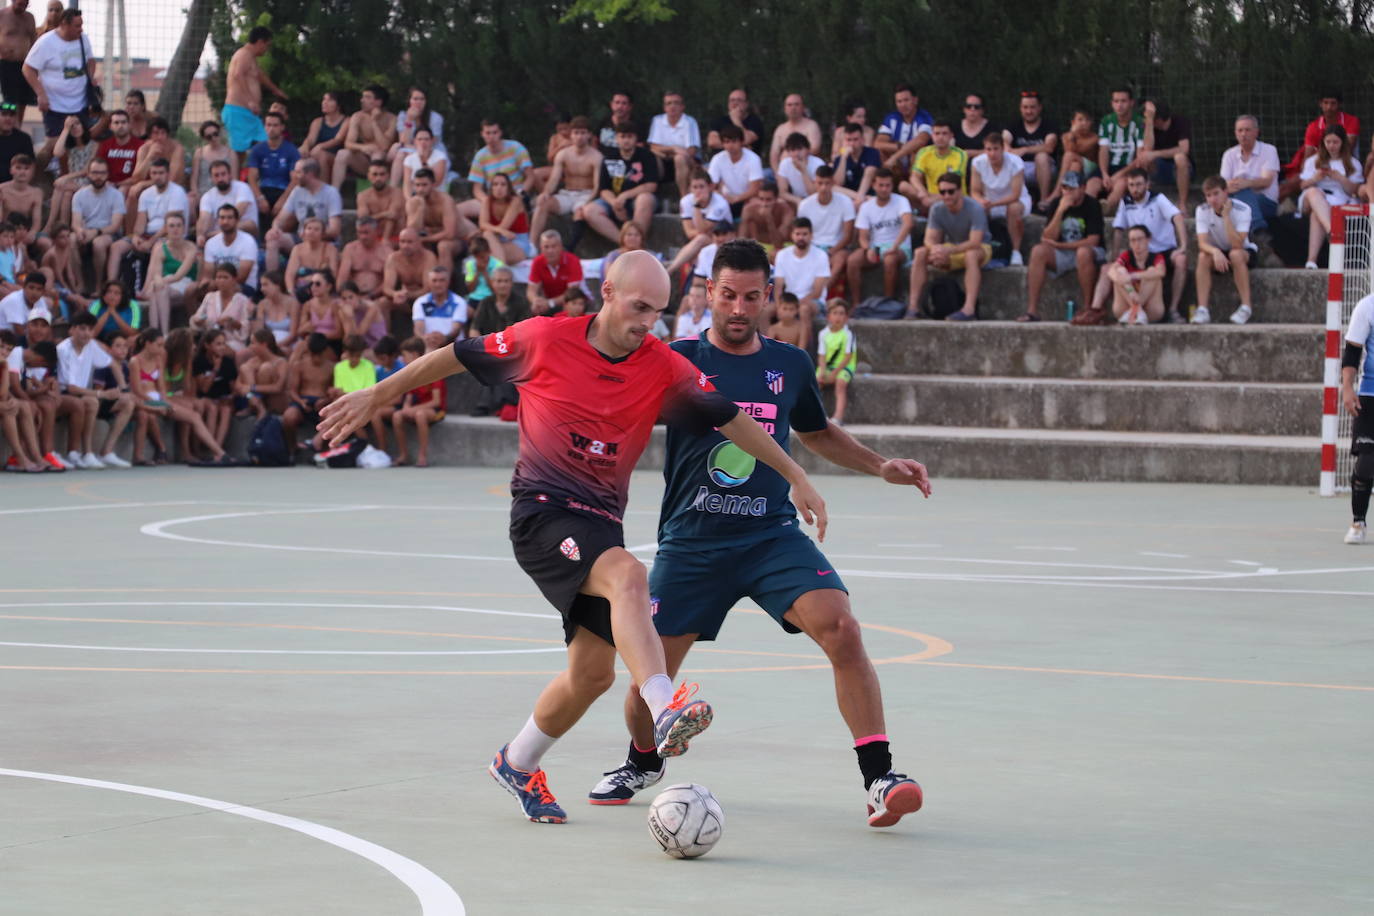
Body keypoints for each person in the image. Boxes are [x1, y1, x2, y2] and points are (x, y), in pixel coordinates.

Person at [318, 247, 828, 824]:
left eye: (658, 312)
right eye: (639, 307)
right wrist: (379, 393)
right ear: (606, 293)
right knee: (630, 574)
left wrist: (795, 472)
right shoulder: (542, 338)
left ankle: (517, 761)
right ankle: (665, 705)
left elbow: (731, 417)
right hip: (543, 512)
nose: (647, 322)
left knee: (592, 674)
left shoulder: (661, 362)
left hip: (599, 522)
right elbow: (454, 356)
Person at [585, 239, 924, 826]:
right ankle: (644, 760)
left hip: (769, 537)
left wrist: (879, 465)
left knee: (842, 628)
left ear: (768, 296)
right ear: (707, 293)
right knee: (648, 680)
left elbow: (817, 433)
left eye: (750, 297)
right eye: (727, 296)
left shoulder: (789, 365)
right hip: (691, 542)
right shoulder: (673, 358)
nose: (738, 309)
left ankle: (879, 777)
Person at [1084, 168, 1187, 323]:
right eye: (1131, 185)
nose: (1135, 189)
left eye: (1139, 184)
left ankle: (1173, 309)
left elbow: (1177, 217)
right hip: (1138, 252)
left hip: (1163, 251)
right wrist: (1115, 255)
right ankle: (1095, 309)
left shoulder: (1158, 198)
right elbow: (1119, 229)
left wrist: (1183, 245)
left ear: (1147, 184)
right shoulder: (1125, 202)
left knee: (1181, 260)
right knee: (1108, 268)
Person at [1022, 170, 1104, 323]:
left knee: (1083, 253)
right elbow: (1047, 238)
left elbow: (1093, 240)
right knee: (1038, 251)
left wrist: (1060, 245)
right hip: (1063, 252)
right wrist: (1060, 211)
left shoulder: (1092, 205)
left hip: (1088, 252)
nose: (1067, 193)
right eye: (1065, 188)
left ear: (1083, 188)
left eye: (1072, 189)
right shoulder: (1057, 203)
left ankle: (1088, 308)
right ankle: (1032, 310)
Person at [909, 172, 992, 321]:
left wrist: (949, 250)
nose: (946, 196)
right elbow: (930, 238)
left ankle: (969, 309)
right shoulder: (937, 208)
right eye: (942, 192)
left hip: (979, 247)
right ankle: (913, 307)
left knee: (971, 255)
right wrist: (936, 250)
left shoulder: (975, 208)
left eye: (951, 191)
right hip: (952, 246)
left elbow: (975, 242)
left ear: (960, 191)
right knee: (920, 253)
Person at [56, 309, 134, 466]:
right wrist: (102, 394)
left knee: (128, 402)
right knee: (92, 401)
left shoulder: (91, 345)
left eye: (90, 329)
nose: (86, 333)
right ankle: (85, 452)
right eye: (82, 328)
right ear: (72, 329)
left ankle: (106, 451)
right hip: (66, 395)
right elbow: (71, 388)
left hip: (84, 394)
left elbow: (112, 363)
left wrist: (124, 389)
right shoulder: (63, 349)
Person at [21, 8, 94, 158]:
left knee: (81, 142)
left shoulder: (83, 39)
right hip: (55, 104)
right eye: (77, 26)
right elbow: (28, 69)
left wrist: (90, 79)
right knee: (54, 144)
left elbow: (91, 61)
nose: (81, 29)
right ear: (64, 24)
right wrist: (41, 94)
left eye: (81, 25)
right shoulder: (46, 42)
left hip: (80, 103)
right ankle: (41, 174)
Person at [106, 159, 188, 283]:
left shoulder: (177, 192)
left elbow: (170, 225)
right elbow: (141, 220)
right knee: (116, 247)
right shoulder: (146, 194)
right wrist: (136, 236)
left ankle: (148, 289)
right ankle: (111, 285)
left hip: (168, 234)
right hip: (148, 234)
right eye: (154, 173)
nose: (157, 177)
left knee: (157, 248)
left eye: (161, 173)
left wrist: (150, 242)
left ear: (168, 174)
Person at [1193, 175, 1257, 325]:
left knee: (1235, 254)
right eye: (1208, 196)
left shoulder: (1243, 209)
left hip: (1243, 251)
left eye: (1216, 194)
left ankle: (1246, 307)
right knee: (1203, 257)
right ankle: (1202, 309)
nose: (1212, 200)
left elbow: (1237, 244)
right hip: (1218, 253)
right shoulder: (1202, 210)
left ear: (1225, 192)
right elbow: (1202, 243)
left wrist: (1226, 216)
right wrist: (1215, 252)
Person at [530, 116, 601, 246]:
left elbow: (597, 186)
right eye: (576, 133)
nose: (579, 137)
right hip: (567, 194)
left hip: (587, 195)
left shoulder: (596, 157)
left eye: (583, 133)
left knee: (580, 212)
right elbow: (554, 180)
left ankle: (570, 250)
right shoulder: (563, 154)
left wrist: (588, 202)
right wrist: (545, 193)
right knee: (542, 203)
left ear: (589, 135)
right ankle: (532, 246)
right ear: (571, 135)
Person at [1338, 288, 1374, 543]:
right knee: (1366, 462)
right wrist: (1348, 388)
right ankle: (1358, 522)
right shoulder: (1367, 306)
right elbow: (1352, 351)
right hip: (1370, 394)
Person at [1300, 124, 1361, 270]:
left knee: (1316, 215)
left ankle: (1311, 260)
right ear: (1323, 143)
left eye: (1335, 142)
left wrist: (1340, 178)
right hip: (1312, 198)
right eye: (1328, 142)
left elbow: (1355, 190)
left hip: (1338, 200)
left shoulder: (1353, 163)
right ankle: (1333, 232)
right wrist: (1315, 178)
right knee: (1314, 192)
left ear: (1342, 143)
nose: (1331, 146)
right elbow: (1303, 186)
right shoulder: (1312, 161)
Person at [847, 168, 912, 303]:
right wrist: (867, 249)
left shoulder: (901, 201)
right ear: (874, 186)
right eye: (881, 185)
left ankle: (887, 302)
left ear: (892, 186)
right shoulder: (866, 206)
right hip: (876, 248)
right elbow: (863, 236)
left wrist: (895, 246)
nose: (884, 189)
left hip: (899, 247)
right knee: (853, 260)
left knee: (890, 259)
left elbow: (908, 224)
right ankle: (855, 303)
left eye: (887, 185)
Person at [265, 158, 342, 273]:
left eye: (298, 172)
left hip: (324, 240)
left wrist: (312, 235)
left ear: (310, 174)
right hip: (301, 237)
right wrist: (275, 229)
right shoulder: (297, 191)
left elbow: (334, 230)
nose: (294, 176)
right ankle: (272, 281)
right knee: (273, 239)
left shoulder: (331, 193)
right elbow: (279, 219)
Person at [1286, 90, 1361, 201]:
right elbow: (1307, 156)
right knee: (1293, 184)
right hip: (1317, 186)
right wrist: (1315, 176)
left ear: (1339, 104)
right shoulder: (1313, 126)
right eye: (1325, 103)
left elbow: (1348, 148)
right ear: (1320, 104)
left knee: (1316, 214)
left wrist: (1339, 176)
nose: (1329, 107)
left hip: (1343, 177)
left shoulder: (1351, 121)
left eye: (1333, 103)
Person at [969, 132, 1030, 264]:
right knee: (977, 207)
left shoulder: (1015, 162)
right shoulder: (977, 163)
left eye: (996, 149)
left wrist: (993, 204)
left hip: (1016, 201)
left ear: (1002, 148)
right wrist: (981, 201)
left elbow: (1015, 194)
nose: (992, 153)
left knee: (1013, 209)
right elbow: (975, 191)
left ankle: (1016, 252)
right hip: (990, 201)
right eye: (988, 149)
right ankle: (981, 248)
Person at [222, 26, 285, 153]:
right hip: (238, 111)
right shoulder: (243, 54)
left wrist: (276, 90)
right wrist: (250, 100)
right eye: (267, 45)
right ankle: (235, 173)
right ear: (260, 42)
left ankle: (255, 172)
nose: (267, 49)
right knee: (239, 152)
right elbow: (238, 75)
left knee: (264, 144)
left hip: (248, 113)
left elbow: (261, 76)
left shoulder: (251, 58)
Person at [771, 217, 829, 350]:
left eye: (804, 234)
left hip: (814, 302)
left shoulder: (821, 255)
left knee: (803, 310)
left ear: (811, 235)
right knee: (764, 312)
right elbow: (778, 286)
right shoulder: (782, 255)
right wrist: (781, 306)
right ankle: (763, 354)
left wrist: (793, 307)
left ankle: (804, 356)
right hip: (788, 300)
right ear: (792, 235)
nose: (801, 237)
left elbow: (817, 291)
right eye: (797, 234)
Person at [122, 118, 187, 234]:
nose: (160, 137)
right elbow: (136, 177)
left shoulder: (177, 149)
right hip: (151, 188)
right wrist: (149, 158)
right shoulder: (144, 149)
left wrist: (143, 184)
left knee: (137, 189)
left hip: (173, 187)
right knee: (131, 192)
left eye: (163, 133)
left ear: (167, 134)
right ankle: (130, 235)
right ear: (149, 135)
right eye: (156, 133)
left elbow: (171, 179)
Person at [460, 119, 532, 224]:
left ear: (500, 133)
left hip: (514, 197)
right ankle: (473, 234)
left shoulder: (516, 148)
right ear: (482, 134)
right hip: (492, 198)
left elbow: (530, 177)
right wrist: (486, 201)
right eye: (488, 133)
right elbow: (477, 189)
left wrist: (520, 193)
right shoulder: (480, 156)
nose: (491, 136)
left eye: (494, 132)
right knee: (456, 210)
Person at [798, 165, 856, 292]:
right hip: (812, 247)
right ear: (815, 183)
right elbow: (802, 233)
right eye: (820, 183)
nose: (823, 187)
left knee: (839, 260)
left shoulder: (845, 202)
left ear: (833, 183)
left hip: (837, 248)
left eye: (827, 183)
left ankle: (819, 293)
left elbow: (848, 236)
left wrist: (830, 252)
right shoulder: (805, 205)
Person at [1220, 114, 1280, 232]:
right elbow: (1223, 185)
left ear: (1256, 132)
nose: (1243, 134)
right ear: (1235, 133)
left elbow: (1267, 181)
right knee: (1238, 195)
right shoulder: (1229, 154)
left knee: (1244, 192)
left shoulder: (1269, 150)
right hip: (1235, 200)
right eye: (1240, 130)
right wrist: (1237, 185)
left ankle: (1257, 228)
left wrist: (1246, 183)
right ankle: (1258, 229)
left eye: (1247, 130)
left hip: (1266, 202)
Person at [670, 169, 732, 280]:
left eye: (701, 186)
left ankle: (670, 270)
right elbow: (689, 232)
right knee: (700, 242)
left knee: (701, 239)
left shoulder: (720, 203)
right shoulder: (686, 201)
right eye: (695, 187)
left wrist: (697, 207)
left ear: (710, 187)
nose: (698, 191)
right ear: (690, 188)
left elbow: (701, 229)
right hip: (703, 241)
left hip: (724, 240)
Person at [140, 212, 197, 331]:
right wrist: (157, 282)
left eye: (178, 225)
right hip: (166, 287)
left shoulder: (191, 247)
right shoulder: (161, 248)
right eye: (171, 226)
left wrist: (160, 282)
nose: (175, 229)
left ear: (183, 228)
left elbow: (179, 275)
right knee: (159, 291)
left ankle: (157, 333)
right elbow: (156, 273)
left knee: (159, 289)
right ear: (166, 228)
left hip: (184, 283)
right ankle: (159, 333)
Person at [70, 157, 123, 284]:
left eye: (102, 173)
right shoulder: (79, 195)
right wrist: (79, 231)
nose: (98, 177)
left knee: (98, 243)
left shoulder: (116, 195)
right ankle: (80, 283)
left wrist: (95, 232)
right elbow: (75, 222)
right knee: (71, 239)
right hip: (87, 230)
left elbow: (115, 226)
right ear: (88, 174)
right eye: (94, 173)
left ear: (107, 175)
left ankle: (99, 285)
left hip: (108, 233)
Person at [332, 85, 396, 189]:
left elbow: (384, 146)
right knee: (342, 154)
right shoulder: (357, 117)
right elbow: (348, 143)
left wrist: (374, 122)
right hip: (364, 162)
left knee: (378, 154)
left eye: (367, 97)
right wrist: (362, 147)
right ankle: (334, 192)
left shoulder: (391, 119)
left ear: (378, 102)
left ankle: (377, 191)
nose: (362, 100)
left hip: (384, 164)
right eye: (363, 97)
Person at [45, 114, 96, 235]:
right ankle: (64, 228)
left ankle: (49, 224)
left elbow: (86, 171)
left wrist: (66, 177)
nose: (75, 128)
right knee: (67, 195)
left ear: (83, 125)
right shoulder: (70, 147)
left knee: (60, 186)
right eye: (72, 126)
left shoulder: (94, 145)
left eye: (77, 124)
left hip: (88, 181)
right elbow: (57, 152)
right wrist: (65, 129)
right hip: (73, 184)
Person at [1098, 87, 1146, 213]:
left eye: (1123, 101)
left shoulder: (1140, 123)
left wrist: (1119, 174)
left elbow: (1140, 156)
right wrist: (1104, 174)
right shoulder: (1106, 121)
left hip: (1128, 167)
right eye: (1116, 101)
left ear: (1131, 102)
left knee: (1121, 184)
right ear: (1112, 103)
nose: (1119, 105)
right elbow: (1103, 150)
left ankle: (1105, 209)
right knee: (1092, 184)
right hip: (1109, 167)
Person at [904, 121, 968, 215]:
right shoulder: (924, 152)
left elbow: (953, 183)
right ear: (932, 135)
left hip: (952, 195)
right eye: (937, 133)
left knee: (949, 193)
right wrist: (923, 192)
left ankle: (924, 210)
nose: (940, 137)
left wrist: (932, 199)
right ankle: (925, 209)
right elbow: (914, 177)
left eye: (944, 133)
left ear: (951, 136)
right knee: (903, 186)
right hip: (929, 195)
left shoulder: (960, 154)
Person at [646, 90, 701, 199]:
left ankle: (683, 198)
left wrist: (668, 153)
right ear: (664, 107)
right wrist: (673, 148)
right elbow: (653, 147)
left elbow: (691, 151)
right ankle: (653, 195)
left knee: (679, 158)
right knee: (652, 155)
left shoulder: (689, 122)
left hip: (687, 162)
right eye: (669, 103)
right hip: (664, 161)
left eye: (676, 103)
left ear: (682, 106)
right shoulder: (657, 120)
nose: (672, 106)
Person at [1108, 224, 1166, 325]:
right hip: (1124, 310)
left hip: (1151, 311)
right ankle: (1137, 309)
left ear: (1148, 239)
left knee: (1152, 272)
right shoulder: (1126, 256)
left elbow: (1161, 271)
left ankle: (1136, 309)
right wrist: (1130, 290)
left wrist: (1133, 276)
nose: (1137, 243)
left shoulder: (1156, 257)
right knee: (1120, 271)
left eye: (1140, 239)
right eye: (1133, 240)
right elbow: (1111, 271)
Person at [1007, 90, 1057, 205]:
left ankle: (1044, 202)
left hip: (1044, 167)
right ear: (1020, 108)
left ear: (1039, 108)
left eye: (1032, 107)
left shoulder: (1049, 125)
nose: (1028, 111)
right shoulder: (1013, 124)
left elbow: (1049, 147)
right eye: (1025, 107)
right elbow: (1005, 142)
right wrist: (1008, 148)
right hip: (1019, 166)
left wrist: (1024, 150)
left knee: (1042, 157)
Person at [1140, 100, 1192, 212]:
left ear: (1158, 120)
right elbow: (1147, 149)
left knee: (1180, 158)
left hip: (1181, 170)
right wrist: (1149, 122)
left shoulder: (1180, 122)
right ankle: (1144, 202)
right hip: (1159, 169)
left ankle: (1182, 203)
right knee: (1143, 157)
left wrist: (1156, 153)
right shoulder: (1149, 126)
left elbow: (1184, 149)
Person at [246, 110, 300, 215]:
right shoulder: (257, 149)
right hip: (263, 191)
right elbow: (252, 178)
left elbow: (295, 180)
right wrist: (260, 198)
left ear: (282, 127)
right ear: (264, 127)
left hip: (284, 191)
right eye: (268, 125)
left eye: (275, 125)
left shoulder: (291, 150)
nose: (271, 129)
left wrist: (283, 200)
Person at [388, 86, 444, 186]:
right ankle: (393, 188)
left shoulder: (435, 118)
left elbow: (430, 143)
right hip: (410, 148)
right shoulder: (403, 115)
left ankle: (414, 188)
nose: (418, 102)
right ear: (409, 101)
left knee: (408, 155)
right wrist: (409, 120)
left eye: (422, 99)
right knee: (400, 155)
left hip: (432, 150)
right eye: (415, 99)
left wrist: (401, 146)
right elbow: (404, 140)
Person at [190, 262, 252, 352]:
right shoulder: (209, 297)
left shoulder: (243, 300)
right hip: (210, 340)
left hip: (233, 341)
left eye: (225, 277)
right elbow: (197, 318)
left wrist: (232, 322)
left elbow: (246, 329)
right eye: (218, 277)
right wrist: (198, 321)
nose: (221, 281)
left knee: (219, 348)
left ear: (234, 280)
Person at [706, 123, 763, 219]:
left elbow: (755, 189)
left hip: (747, 199)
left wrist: (737, 199)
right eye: (727, 142)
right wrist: (721, 195)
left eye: (734, 141)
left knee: (754, 204)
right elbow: (710, 185)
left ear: (741, 142)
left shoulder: (753, 159)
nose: (730, 145)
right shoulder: (717, 159)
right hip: (725, 199)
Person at [203, 204, 261, 294]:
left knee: (230, 288)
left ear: (237, 220)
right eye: (222, 218)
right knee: (192, 290)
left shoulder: (248, 241)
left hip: (243, 286)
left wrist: (219, 284)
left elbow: (242, 277)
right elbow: (209, 274)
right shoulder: (211, 243)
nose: (225, 221)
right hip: (218, 284)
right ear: (217, 221)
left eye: (230, 218)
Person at [197, 158, 259, 241]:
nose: (220, 179)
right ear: (211, 178)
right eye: (216, 175)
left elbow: (236, 214)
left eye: (223, 174)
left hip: (244, 235)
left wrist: (217, 233)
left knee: (247, 224)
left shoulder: (242, 188)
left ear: (230, 175)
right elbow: (204, 218)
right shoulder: (207, 196)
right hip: (217, 239)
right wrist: (200, 235)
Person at [816, 299, 856, 424]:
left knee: (840, 383)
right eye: (835, 313)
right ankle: (815, 414)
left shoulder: (848, 334)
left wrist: (834, 373)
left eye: (841, 313)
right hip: (827, 366)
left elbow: (848, 356)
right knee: (814, 382)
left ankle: (838, 417)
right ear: (828, 316)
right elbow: (821, 355)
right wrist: (822, 371)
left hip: (845, 367)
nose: (838, 316)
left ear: (846, 317)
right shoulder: (823, 334)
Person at [479, 172, 531, 266]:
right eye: (495, 184)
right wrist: (499, 230)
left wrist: (500, 230)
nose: (499, 188)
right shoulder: (487, 201)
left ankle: (500, 271)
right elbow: (482, 224)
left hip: (517, 241)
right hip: (498, 240)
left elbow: (504, 226)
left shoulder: (515, 201)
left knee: (486, 254)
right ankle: (501, 269)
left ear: (508, 188)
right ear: (491, 188)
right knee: (487, 234)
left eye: (503, 184)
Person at [382, 227, 437, 319]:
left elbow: (429, 289)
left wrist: (407, 295)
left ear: (419, 242)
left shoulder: (429, 258)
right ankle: (384, 334)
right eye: (402, 242)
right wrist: (394, 294)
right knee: (382, 303)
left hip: (425, 299)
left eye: (409, 242)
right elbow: (387, 287)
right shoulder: (393, 258)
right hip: (404, 301)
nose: (405, 246)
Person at [876, 84, 933, 170]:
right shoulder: (892, 118)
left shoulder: (924, 117)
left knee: (918, 152)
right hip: (897, 163)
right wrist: (898, 147)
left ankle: (913, 180)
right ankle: (887, 181)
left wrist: (895, 157)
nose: (903, 105)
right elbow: (878, 144)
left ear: (915, 100)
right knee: (879, 152)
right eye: (899, 101)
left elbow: (921, 140)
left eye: (906, 100)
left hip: (913, 162)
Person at [338, 216, 389, 310]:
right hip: (352, 295)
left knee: (383, 303)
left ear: (376, 231)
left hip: (377, 296)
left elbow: (388, 282)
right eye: (359, 232)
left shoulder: (387, 252)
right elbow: (342, 278)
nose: (363, 237)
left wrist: (370, 295)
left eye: (366, 232)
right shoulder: (350, 249)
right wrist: (348, 296)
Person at [527, 230, 583, 315]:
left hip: (575, 302)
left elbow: (572, 294)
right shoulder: (537, 262)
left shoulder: (573, 261)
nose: (550, 250)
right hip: (550, 302)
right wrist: (535, 301)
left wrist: (549, 303)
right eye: (546, 247)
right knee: (533, 309)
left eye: (554, 246)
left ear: (561, 246)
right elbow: (531, 290)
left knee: (572, 305)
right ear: (541, 248)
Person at [188, 120, 237, 215]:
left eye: (215, 134)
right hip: (203, 192)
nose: (213, 138)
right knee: (189, 201)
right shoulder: (199, 153)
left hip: (224, 191)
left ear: (220, 133)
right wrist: (195, 192)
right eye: (209, 136)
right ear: (204, 138)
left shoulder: (230, 153)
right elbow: (194, 178)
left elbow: (234, 178)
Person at [0, 0, 37, 121]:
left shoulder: (30, 18)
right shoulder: (2, 15)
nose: (23, 7)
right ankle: (6, 128)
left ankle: (18, 129)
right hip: (6, 64)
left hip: (25, 65)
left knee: (23, 101)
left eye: (25, 5)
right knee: (9, 101)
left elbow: (33, 41)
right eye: (20, 4)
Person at [767, 93, 822, 174]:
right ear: (785, 108)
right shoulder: (780, 129)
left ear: (803, 107)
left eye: (796, 104)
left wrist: (791, 155)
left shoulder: (811, 125)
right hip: (783, 172)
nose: (793, 108)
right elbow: (773, 156)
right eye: (789, 105)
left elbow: (815, 149)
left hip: (806, 171)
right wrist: (777, 174)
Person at [299, 270, 349, 356]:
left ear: (329, 286)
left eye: (317, 284)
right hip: (311, 342)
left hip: (332, 343)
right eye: (311, 284)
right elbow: (300, 331)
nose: (313, 287)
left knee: (311, 352)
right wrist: (304, 329)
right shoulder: (308, 305)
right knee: (301, 349)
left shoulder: (336, 305)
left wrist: (317, 337)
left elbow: (339, 333)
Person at [411, 266, 466, 344]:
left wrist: (442, 340)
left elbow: (456, 329)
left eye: (442, 280)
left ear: (448, 282)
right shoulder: (420, 302)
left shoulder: (459, 302)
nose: (438, 284)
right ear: (428, 282)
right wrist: (427, 340)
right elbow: (418, 330)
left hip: (452, 347)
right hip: (428, 346)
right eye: (434, 280)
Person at [357, 159, 405, 242]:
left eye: (382, 174)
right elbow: (363, 220)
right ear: (369, 176)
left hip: (395, 238)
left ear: (388, 176)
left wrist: (385, 240)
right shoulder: (363, 196)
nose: (378, 178)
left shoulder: (397, 193)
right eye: (375, 174)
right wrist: (383, 214)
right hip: (372, 239)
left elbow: (392, 215)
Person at [831, 121, 880, 202]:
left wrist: (860, 198)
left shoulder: (872, 153)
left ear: (862, 140)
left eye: (855, 139)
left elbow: (869, 174)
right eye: (848, 140)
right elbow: (838, 183)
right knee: (833, 187)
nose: (852, 143)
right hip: (850, 197)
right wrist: (843, 158)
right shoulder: (839, 159)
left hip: (869, 195)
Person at [96, 108, 143, 192]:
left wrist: (119, 184)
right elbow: (99, 167)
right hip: (108, 184)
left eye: (123, 122)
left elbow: (139, 175)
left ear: (129, 125)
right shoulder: (105, 145)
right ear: (110, 126)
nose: (120, 126)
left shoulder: (140, 146)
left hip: (130, 185)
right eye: (116, 123)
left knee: (122, 190)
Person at [251, 271, 300, 351]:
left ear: (277, 285)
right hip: (267, 344)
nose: (262, 289)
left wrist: (275, 347)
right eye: (261, 285)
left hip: (288, 344)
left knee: (284, 350)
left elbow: (293, 335)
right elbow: (259, 332)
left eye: (265, 285)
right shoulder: (262, 304)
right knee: (243, 354)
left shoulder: (293, 303)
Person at [706, 88, 764, 156]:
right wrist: (740, 145)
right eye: (732, 100)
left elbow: (747, 139)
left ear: (746, 104)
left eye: (739, 100)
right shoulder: (719, 121)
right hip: (722, 162)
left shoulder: (755, 121)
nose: (735, 103)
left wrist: (736, 119)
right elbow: (712, 142)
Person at [776, 132, 825, 211]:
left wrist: (803, 171)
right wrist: (797, 200)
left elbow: (814, 193)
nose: (796, 153)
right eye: (792, 150)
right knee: (780, 203)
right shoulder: (785, 163)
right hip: (797, 199)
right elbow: (782, 192)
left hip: (817, 199)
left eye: (799, 149)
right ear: (788, 152)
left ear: (808, 149)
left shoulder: (818, 164)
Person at [739, 181, 790, 253]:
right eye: (761, 199)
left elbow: (779, 244)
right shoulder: (749, 209)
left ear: (776, 199)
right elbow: (741, 238)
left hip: (782, 247)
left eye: (768, 200)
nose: (764, 204)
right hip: (759, 246)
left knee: (776, 253)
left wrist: (769, 219)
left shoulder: (785, 209)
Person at [596, 90, 643, 158]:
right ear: (611, 105)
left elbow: (640, 146)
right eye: (617, 102)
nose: (620, 106)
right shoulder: (603, 122)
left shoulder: (638, 125)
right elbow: (594, 140)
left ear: (630, 106)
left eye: (624, 103)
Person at [0, 99, 32, 183]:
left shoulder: (24, 139)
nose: (8, 118)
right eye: (4, 114)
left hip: (16, 187)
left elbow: (31, 164)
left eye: (11, 115)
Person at [673, 276, 711, 340]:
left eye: (698, 296)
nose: (694, 299)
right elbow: (679, 341)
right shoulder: (683, 318)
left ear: (706, 299)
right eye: (691, 296)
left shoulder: (712, 318)